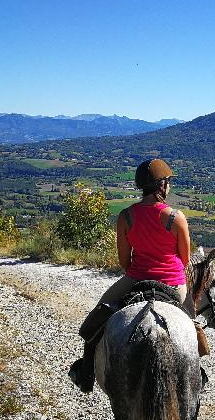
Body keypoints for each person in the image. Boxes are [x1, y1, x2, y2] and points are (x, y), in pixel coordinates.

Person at [70, 158, 191, 392]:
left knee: (99, 315)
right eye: (169, 182)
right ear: (163, 185)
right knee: (191, 325)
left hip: (135, 279)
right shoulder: (177, 218)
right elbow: (185, 260)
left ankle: (86, 372)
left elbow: (125, 262)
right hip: (174, 283)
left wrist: (141, 270)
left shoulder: (126, 217)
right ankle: (198, 373)